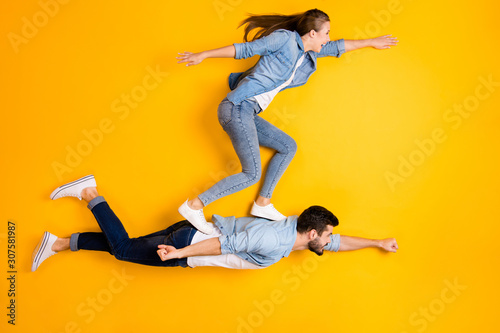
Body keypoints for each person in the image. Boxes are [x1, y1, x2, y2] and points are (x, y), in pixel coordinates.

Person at [176, 9, 398, 234]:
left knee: (288, 146)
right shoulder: (284, 39)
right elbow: (245, 50)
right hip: (237, 106)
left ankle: (262, 203)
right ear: (312, 33)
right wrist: (203, 55)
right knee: (251, 173)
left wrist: (372, 41)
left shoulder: (308, 54)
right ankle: (195, 205)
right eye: (326, 33)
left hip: (249, 112)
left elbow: (337, 47)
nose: (329, 38)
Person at [32, 175, 398, 271]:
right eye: (327, 236)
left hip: (193, 238)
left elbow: (340, 243)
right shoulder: (274, 240)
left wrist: (377, 243)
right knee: (125, 249)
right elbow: (224, 247)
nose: (329, 242)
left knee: (122, 245)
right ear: (313, 233)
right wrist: (180, 253)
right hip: (193, 245)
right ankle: (89, 192)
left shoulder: (296, 235)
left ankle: (61, 244)